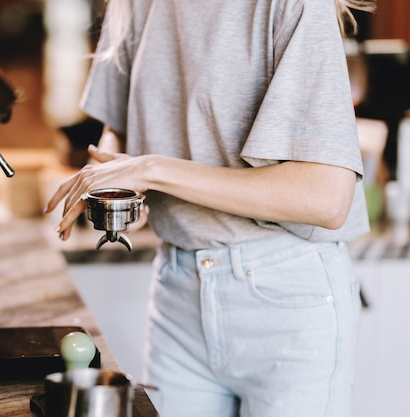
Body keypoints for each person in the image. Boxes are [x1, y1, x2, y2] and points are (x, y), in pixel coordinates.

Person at [44, 1, 377, 416]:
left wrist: (151, 170)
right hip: (177, 292)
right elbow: (118, 131)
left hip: (287, 298)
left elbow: (325, 197)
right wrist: (115, 189)